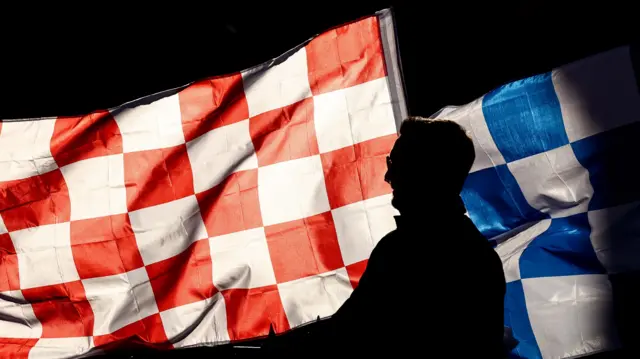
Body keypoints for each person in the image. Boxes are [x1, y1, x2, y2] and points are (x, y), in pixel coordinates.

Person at [325, 117, 507, 356]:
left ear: (426, 172)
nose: (388, 176)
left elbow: (346, 335)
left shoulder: (399, 252)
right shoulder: (479, 256)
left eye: (397, 164)